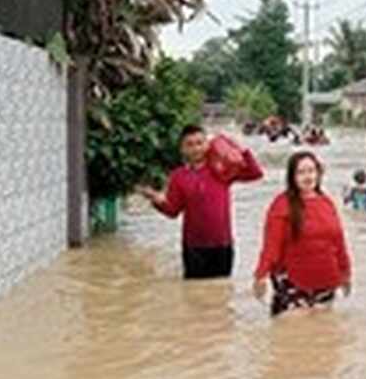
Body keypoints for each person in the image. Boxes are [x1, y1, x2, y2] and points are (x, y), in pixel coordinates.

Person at [138, 124, 263, 279]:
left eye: (199, 143)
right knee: (194, 294)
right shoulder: (178, 176)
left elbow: (255, 173)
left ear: (207, 144)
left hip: (222, 244)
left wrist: (240, 148)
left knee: (221, 291)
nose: (196, 149)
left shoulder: (220, 168)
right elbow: (173, 211)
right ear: (182, 149)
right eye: (189, 144)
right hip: (193, 247)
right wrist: (156, 199)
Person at [254, 151, 352, 316]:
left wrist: (346, 273)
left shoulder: (326, 202)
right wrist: (261, 275)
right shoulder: (281, 204)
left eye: (312, 171)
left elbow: (338, 242)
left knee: (323, 334)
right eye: (301, 172)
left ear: (319, 173)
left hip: (325, 281)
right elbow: (271, 245)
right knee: (292, 334)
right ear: (292, 176)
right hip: (292, 281)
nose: (308, 176)